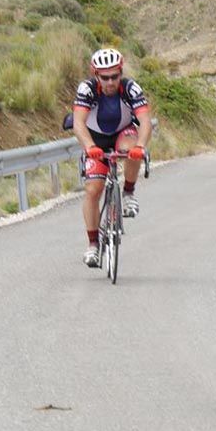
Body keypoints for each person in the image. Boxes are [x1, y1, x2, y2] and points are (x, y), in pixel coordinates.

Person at [71, 48, 156, 267]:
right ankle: (92, 245)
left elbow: (145, 121)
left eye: (115, 76)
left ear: (121, 71)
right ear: (95, 74)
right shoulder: (87, 89)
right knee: (93, 189)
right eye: (105, 77)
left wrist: (141, 146)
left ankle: (128, 192)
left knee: (131, 148)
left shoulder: (130, 88)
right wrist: (89, 146)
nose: (110, 82)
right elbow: (79, 123)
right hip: (96, 140)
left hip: (122, 132)